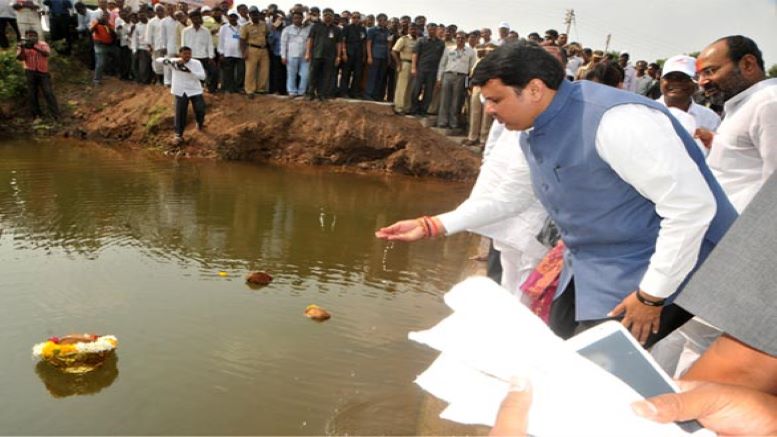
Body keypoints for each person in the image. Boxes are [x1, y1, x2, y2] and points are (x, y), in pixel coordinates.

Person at [468, 41, 737, 346]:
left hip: (667, 266)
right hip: (597, 262)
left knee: (600, 366)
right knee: (555, 345)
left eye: (495, 100)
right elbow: (514, 197)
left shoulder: (618, 122)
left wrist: (651, 297)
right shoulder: (537, 129)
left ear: (534, 89)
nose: (488, 110)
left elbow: (691, 208)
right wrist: (436, 225)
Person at [697, 35, 777, 213]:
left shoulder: (769, 103)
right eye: (699, 74)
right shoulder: (745, 103)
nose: (702, 82)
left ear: (747, 64)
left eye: (710, 71)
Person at [157, 46, 206, 142]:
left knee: (200, 109)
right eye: (185, 54)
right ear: (180, 54)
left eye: (189, 53)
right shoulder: (175, 62)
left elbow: (203, 77)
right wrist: (172, 62)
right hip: (180, 91)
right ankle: (178, 135)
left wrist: (190, 72)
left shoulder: (196, 63)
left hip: (194, 90)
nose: (187, 56)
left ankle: (200, 123)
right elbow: (158, 60)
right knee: (180, 113)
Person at [16, 29, 60, 120]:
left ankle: (56, 114)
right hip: (30, 71)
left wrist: (34, 47)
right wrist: (22, 48)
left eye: (33, 35)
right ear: (26, 36)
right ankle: (36, 115)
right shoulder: (23, 45)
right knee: (32, 94)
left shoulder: (43, 44)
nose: (31, 37)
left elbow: (46, 53)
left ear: (37, 36)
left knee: (48, 92)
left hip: (43, 72)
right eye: (29, 35)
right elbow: (20, 58)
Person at [436, 31, 475, 130]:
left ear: (465, 39)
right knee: (445, 99)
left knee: (456, 101)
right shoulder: (449, 49)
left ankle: (453, 123)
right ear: (455, 39)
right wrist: (439, 78)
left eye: (462, 38)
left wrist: (469, 81)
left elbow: (472, 67)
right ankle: (442, 122)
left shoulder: (470, 51)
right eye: (458, 38)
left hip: (461, 77)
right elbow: (442, 64)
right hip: (448, 75)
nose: (460, 40)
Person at [304, 7, 341, 101]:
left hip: (330, 56)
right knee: (313, 75)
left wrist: (338, 56)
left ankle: (322, 94)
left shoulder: (337, 29)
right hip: (316, 54)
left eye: (330, 15)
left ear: (333, 17)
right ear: (322, 16)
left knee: (326, 76)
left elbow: (339, 43)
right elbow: (310, 40)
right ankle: (310, 94)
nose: (327, 16)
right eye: (325, 15)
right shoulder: (316, 26)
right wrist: (308, 53)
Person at [409, 22, 443, 116]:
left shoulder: (440, 43)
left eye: (434, 29)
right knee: (416, 90)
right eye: (430, 29)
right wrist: (413, 67)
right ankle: (414, 110)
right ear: (427, 30)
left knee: (428, 93)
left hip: (433, 71)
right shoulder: (421, 40)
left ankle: (423, 110)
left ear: (436, 30)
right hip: (421, 69)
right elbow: (415, 54)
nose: (432, 30)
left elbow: (441, 59)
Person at [182, 11, 215, 92]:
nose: (195, 20)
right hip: (191, 57)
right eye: (193, 18)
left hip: (203, 56)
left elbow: (210, 44)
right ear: (191, 19)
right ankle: (193, 89)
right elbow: (183, 45)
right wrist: (184, 56)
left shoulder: (206, 31)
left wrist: (211, 57)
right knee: (192, 74)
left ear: (200, 19)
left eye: (197, 18)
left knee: (212, 72)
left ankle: (210, 88)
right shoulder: (185, 31)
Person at [240, 6, 269, 95]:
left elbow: (267, 35)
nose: (254, 16)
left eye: (256, 14)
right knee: (250, 71)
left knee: (264, 70)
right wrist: (243, 52)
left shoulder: (264, 24)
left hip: (263, 49)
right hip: (251, 49)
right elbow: (242, 40)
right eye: (252, 14)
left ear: (258, 14)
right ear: (249, 15)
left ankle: (261, 89)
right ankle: (249, 90)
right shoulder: (245, 26)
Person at [279, 10, 309, 98]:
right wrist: (283, 56)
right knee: (291, 74)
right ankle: (292, 91)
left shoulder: (307, 29)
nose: (297, 20)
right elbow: (283, 43)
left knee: (305, 75)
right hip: (291, 55)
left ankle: (301, 91)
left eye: (300, 18)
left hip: (304, 55)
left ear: (302, 18)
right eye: (295, 18)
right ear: (292, 19)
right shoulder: (287, 29)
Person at [390, 22, 418, 115]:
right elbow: (394, 51)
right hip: (405, 63)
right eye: (411, 29)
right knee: (402, 86)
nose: (413, 30)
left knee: (410, 87)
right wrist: (398, 63)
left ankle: (407, 108)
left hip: (414, 65)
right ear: (408, 30)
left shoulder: (418, 40)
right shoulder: (403, 39)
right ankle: (399, 107)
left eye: (415, 29)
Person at [338, 11, 365, 98]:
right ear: (351, 18)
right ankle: (343, 92)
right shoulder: (347, 27)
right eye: (354, 17)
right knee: (346, 73)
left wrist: (364, 55)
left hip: (359, 54)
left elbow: (364, 42)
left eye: (358, 17)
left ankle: (354, 93)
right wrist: (344, 53)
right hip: (348, 53)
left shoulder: (362, 29)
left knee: (357, 74)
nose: (356, 19)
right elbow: (343, 41)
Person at [364, 13, 389, 101]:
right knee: (372, 76)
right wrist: (369, 56)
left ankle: (376, 95)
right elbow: (368, 44)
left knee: (380, 77)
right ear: (378, 20)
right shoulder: (372, 30)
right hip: (375, 55)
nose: (384, 22)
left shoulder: (387, 31)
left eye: (385, 20)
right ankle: (368, 94)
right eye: (382, 20)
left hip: (384, 57)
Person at [89, 0, 115, 86]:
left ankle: (111, 73)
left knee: (117, 55)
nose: (106, 17)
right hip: (99, 44)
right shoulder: (96, 22)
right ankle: (96, 80)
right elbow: (90, 30)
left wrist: (107, 25)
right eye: (104, 16)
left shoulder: (110, 24)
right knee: (100, 62)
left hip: (109, 45)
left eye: (107, 16)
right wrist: (97, 23)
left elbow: (113, 34)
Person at [218, 11, 244, 94]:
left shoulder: (242, 27)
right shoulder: (224, 28)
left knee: (240, 72)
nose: (232, 18)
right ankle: (229, 89)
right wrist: (221, 52)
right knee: (228, 72)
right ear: (228, 17)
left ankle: (239, 88)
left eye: (234, 16)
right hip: (228, 53)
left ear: (237, 17)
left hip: (240, 53)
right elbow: (221, 41)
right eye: (231, 16)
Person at [129, 7, 151, 84]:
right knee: (142, 67)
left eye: (143, 14)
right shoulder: (137, 26)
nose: (141, 16)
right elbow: (134, 39)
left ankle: (150, 80)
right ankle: (143, 81)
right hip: (142, 48)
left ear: (146, 14)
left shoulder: (151, 23)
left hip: (152, 48)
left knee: (152, 66)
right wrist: (134, 50)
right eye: (139, 14)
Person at [145, 3, 166, 85]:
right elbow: (148, 35)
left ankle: (165, 80)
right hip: (156, 46)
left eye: (161, 10)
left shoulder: (167, 20)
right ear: (155, 12)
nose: (160, 12)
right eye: (158, 10)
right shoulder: (151, 22)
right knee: (157, 64)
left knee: (166, 64)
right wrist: (149, 46)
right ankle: (158, 80)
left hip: (166, 47)